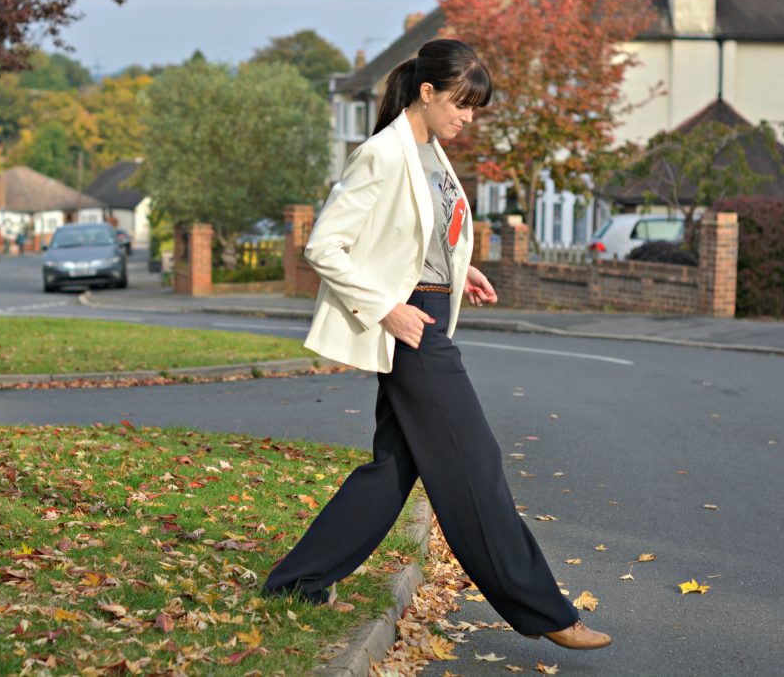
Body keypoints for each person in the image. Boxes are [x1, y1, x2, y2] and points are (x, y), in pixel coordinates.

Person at [261, 39, 611, 651]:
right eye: (461, 105)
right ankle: (544, 610)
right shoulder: (382, 154)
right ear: (427, 92)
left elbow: (419, 233)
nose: (467, 118)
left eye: (474, 109)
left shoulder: (431, 151)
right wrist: (386, 308)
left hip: (428, 309)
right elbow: (323, 247)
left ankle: (297, 581)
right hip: (411, 326)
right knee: (476, 466)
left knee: (391, 471)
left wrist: (456, 270)